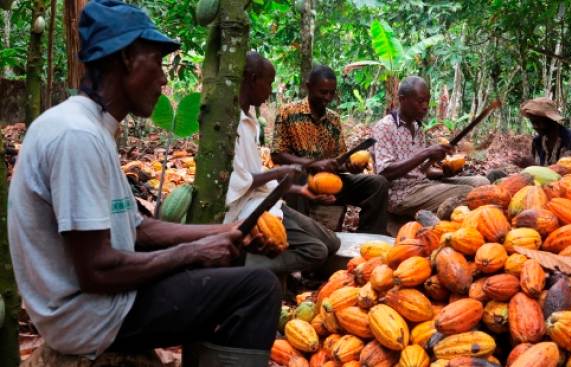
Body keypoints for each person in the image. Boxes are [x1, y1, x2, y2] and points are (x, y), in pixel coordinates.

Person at [7, 1, 281, 366]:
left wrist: (223, 230)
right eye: (157, 62)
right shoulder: (76, 136)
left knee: (227, 268)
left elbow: (137, 228)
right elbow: (97, 270)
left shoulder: (91, 128)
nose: (165, 79)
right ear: (126, 59)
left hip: (97, 306)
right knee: (258, 290)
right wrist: (194, 252)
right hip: (89, 317)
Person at [224, 52, 341, 275]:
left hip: (267, 201)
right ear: (251, 78)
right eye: (268, 82)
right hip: (247, 210)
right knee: (316, 251)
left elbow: (254, 175)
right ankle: (239, 266)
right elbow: (240, 182)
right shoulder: (231, 124)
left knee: (332, 243)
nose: (270, 90)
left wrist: (303, 190)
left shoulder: (250, 122)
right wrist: (285, 171)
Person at [271, 65, 390, 234]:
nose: (327, 97)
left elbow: (338, 160)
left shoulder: (333, 119)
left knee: (378, 183)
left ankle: (370, 238)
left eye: (331, 93)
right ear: (308, 86)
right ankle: (301, 235)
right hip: (301, 181)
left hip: (329, 181)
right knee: (297, 175)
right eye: (323, 92)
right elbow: (277, 155)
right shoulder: (288, 112)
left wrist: (349, 166)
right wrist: (313, 164)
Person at [372, 76, 489, 218]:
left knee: (482, 183)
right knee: (468, 193)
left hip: (423, 185)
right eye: (420, 101)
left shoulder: (417, 127)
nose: (425, 106)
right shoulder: (385, 127)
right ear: (402, 99)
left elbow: (422, 171)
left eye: (427, 101)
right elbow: (385, 172)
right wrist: (427, 153)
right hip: (401, 195)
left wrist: (445, 172)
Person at [521, 96, 571, 166]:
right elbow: (537, 169)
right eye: (533, 123)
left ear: (550, 120)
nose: (535, 126)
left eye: (538, 122)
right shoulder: (537, 142)